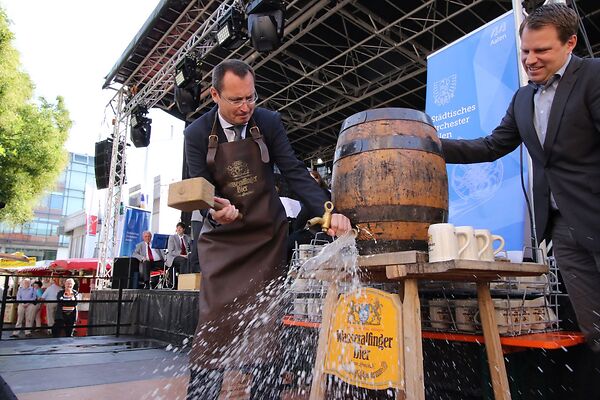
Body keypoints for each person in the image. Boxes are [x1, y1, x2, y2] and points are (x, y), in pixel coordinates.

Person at [184, 59, 351, 399]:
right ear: (215, 94)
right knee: (214, 327)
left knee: (266, 330)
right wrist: (216, 210)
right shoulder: (197, 133)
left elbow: (293, 169)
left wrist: (327, 212)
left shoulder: (269, 122)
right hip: (223, 242)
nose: (246, 107)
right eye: (236, 100)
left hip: (266, 238)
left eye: (251, 97)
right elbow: (199, 186)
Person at [440, 3, 600, 358]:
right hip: (562, 230)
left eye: (542, 50)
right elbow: (492, 145)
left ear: (571, 43)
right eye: (526, 50)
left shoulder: (594, 77)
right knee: (595, 327)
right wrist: (430, 144)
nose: (530, 59)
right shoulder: (523, 97)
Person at [166, 222, 191, 288]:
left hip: (185, 256)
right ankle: (182, 282)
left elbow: (189, 249)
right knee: (183, 260)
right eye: (177, 228)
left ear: (184, 229)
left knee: (192, 260)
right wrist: (182, 255)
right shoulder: (172, 237)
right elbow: (171, 251)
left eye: (180, 228)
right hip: (174, 257)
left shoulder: (187, 238)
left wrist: (189, 254)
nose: (179, 229)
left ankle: (190, 281)